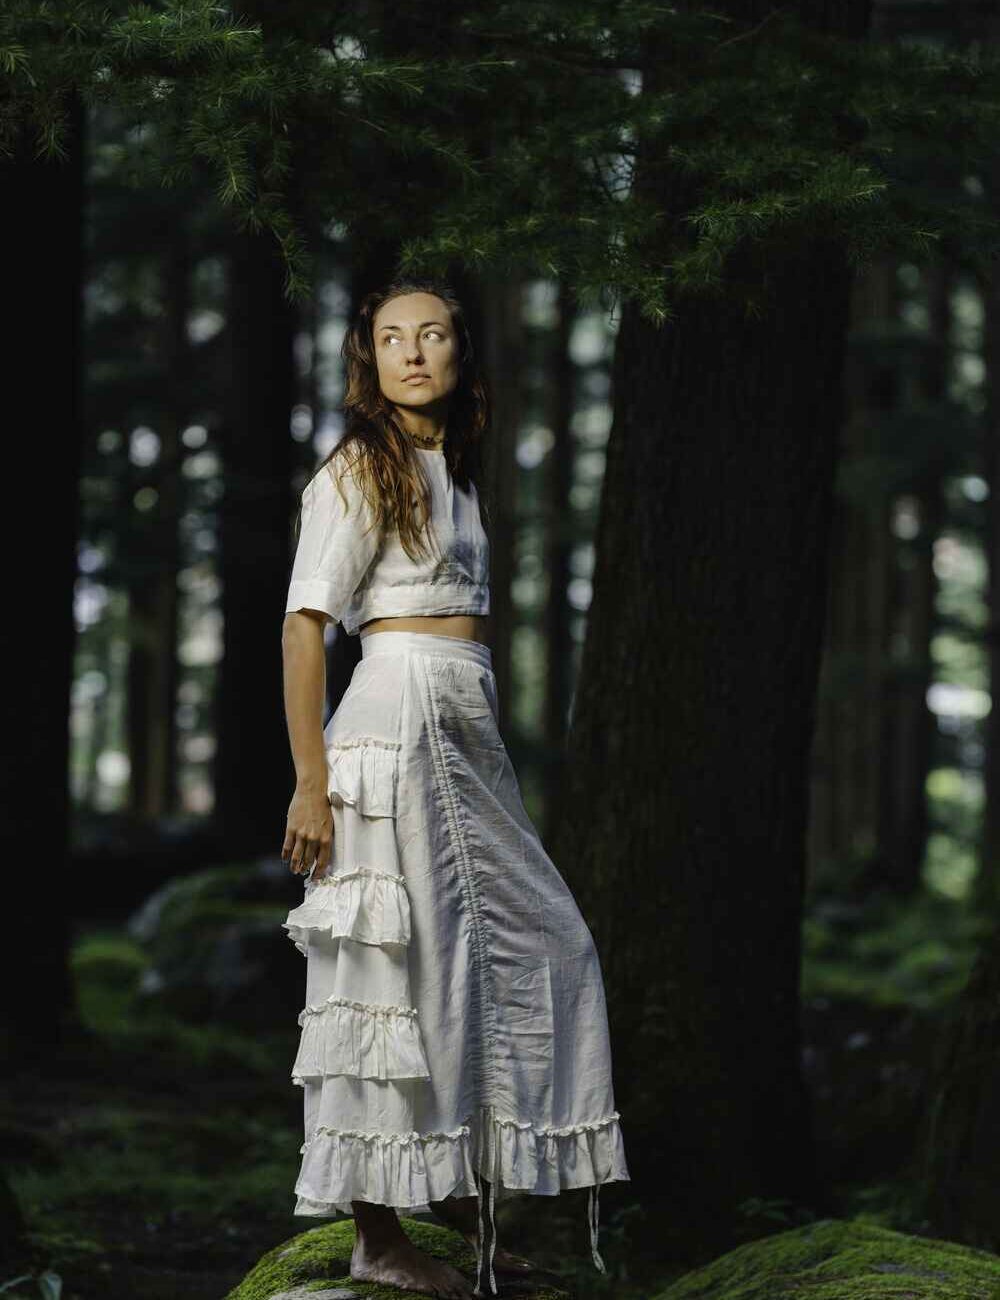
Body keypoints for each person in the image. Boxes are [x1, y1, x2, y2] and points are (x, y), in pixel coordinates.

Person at [280, 277, 630, 1299]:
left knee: (522, 948)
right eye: (393, 337)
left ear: (460, 355)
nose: (413, 352)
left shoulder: (456, 471)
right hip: (391, 730)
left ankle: (469, 1207)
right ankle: (376, 1235)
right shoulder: (355, 471)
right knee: (388, 977)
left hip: (465, 734)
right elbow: (306, 625)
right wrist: (310, 779)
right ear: (370, 359)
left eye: (432, 334)